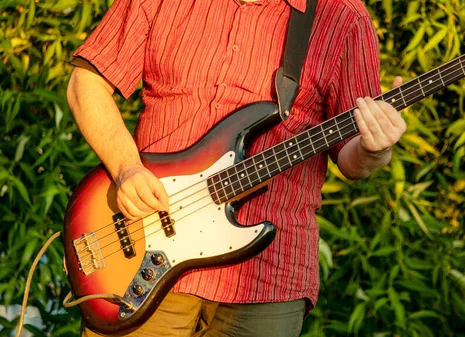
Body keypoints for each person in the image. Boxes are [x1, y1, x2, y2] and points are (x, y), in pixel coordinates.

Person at [66, 0, 406, 335]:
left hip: (267, 278)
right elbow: (87, 82)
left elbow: (352, 159)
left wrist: (374, 150)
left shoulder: (342, 17)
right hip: (140, 252)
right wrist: (126, 168)